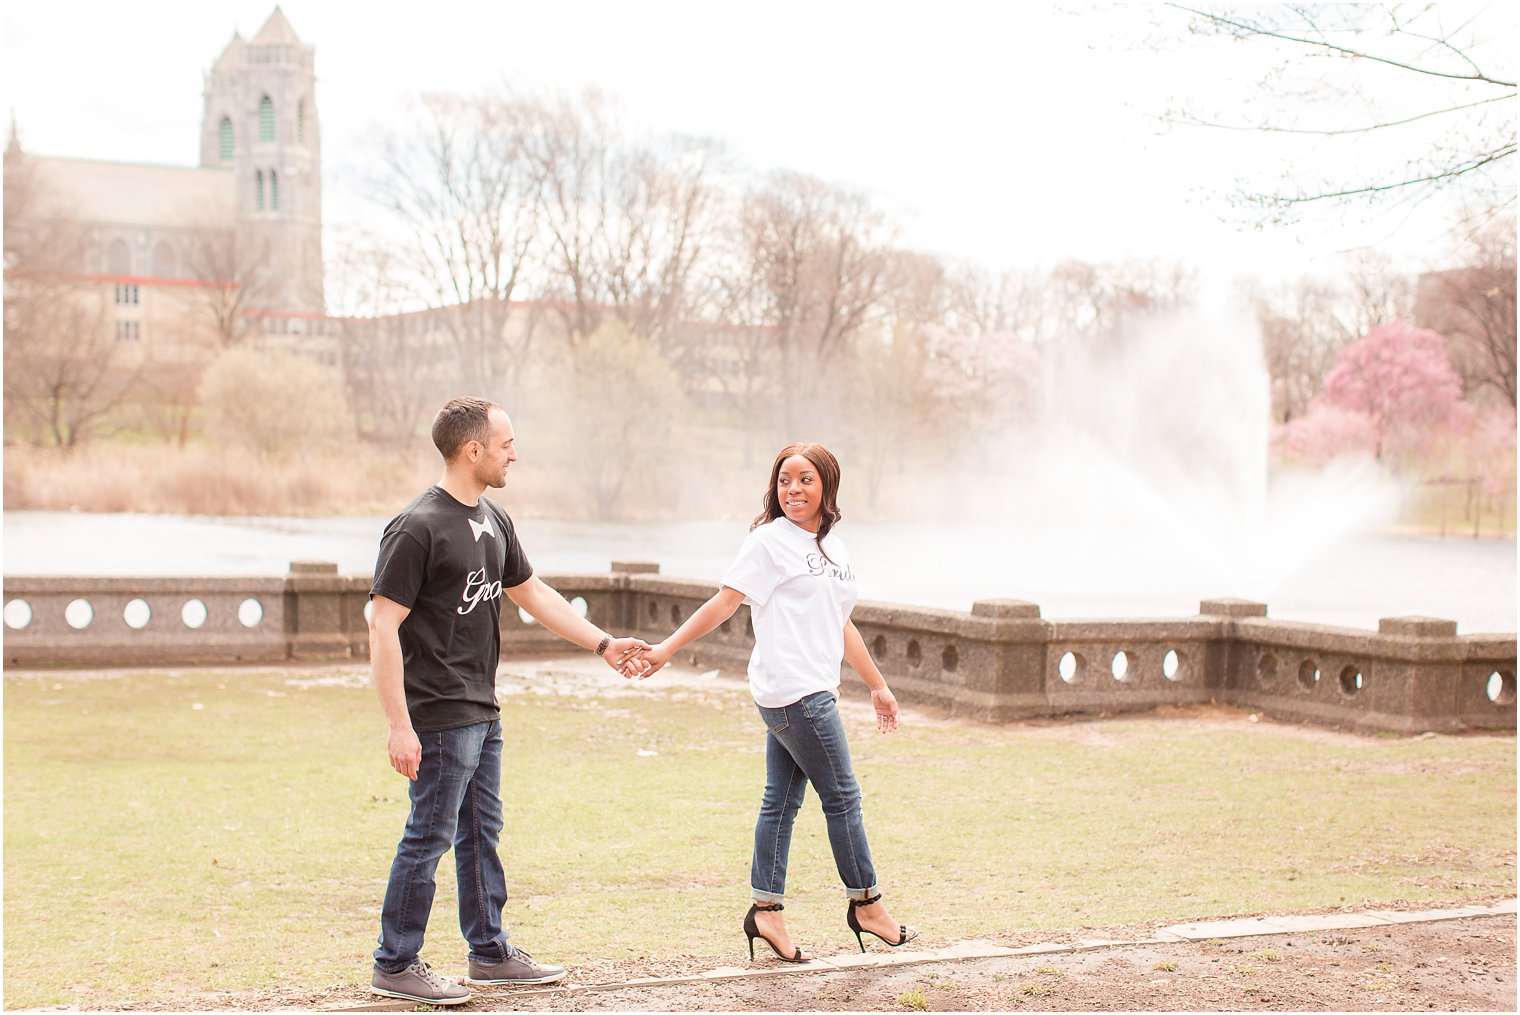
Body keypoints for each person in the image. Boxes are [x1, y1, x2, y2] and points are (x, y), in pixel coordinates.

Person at [367, 396, 650, 1006]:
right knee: (429, 836)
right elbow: (382, 626)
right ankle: (395, 962)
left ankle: (489, 952)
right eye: (506, 444)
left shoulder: (494, 520)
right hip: (438, 714)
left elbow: (534, 594)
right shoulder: (416, 527)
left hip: (483, 709)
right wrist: (399, 725)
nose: (514, 453)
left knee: (480, 833)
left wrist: (602, 643)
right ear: (474, 450)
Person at [638, 442, 916, 962]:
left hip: (810, 687)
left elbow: (841, 623)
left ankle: (766, 913)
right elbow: (725, 601)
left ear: (827, 486)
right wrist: (665, 650)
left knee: (781, 803)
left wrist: (878, 685)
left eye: (806, 480)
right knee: (843, 800)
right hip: (795, 691)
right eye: (785, 480)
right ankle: (867, 905)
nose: (794, 489)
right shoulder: (768, 542)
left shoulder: (835, 548)